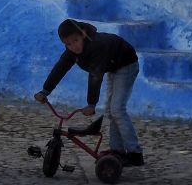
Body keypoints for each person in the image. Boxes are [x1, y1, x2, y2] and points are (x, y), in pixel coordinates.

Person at [34, 19, 144, 167]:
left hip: (126, 64)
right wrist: (45, 91)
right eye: (68, 44)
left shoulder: (97, 46)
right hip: (113, 67)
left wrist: (91, 103)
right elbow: (60, 68)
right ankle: (117, 151)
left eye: (76, 40)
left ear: (83, 34)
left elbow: (95, 75)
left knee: (117, 109)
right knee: (112, 111)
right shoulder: (71, 51)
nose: (74, 46)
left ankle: (135, 154)